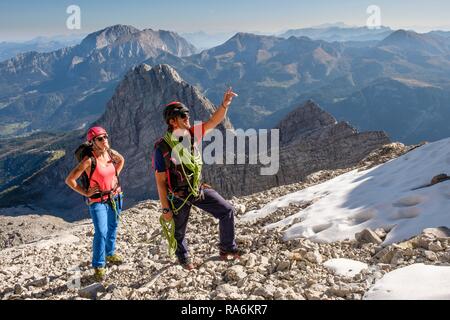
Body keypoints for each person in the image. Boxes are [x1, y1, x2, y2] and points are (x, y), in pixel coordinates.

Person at [153, 88, 241, 270]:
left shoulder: (192, 134)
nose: (187, 119)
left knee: (227, 210)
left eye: (187, 116)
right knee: (178, 232)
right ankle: (184, 259)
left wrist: (225, 104)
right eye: (183, 117)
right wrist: (165, 208)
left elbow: (214, 121)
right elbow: (160, 181)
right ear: (172, 121)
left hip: (196, 188)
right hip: (177, 196)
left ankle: (227, 248)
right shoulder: (162, 148)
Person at [65, 126, 125, 281]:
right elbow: (70, 180)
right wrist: (85, 193)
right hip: (97, 200)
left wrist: (114, 176)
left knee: (113, 226)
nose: (105, 140)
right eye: (100, 138)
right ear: (92, 142)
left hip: (115, 196)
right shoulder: (88, 161)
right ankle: (98, 265)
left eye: (105, 136)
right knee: (101, 231)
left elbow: (121, 160)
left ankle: (110, 254)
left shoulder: (111, 153)